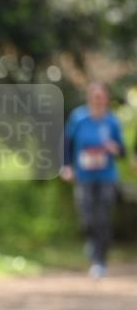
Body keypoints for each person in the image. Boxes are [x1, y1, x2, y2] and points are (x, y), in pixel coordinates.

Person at [61, 81, 125, 278]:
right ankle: (92, 246)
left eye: (101, 96)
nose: (98, 100)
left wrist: (115, 148)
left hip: (107, 176)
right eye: (94, 96)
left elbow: (122, 150)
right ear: (89, 97)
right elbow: (67, 143)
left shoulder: (112, 121)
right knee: (87, 218)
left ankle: (100, 260)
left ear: (106, 98)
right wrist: (67, 165)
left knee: (103, 217)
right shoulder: (78, 118)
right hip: (84, 176)